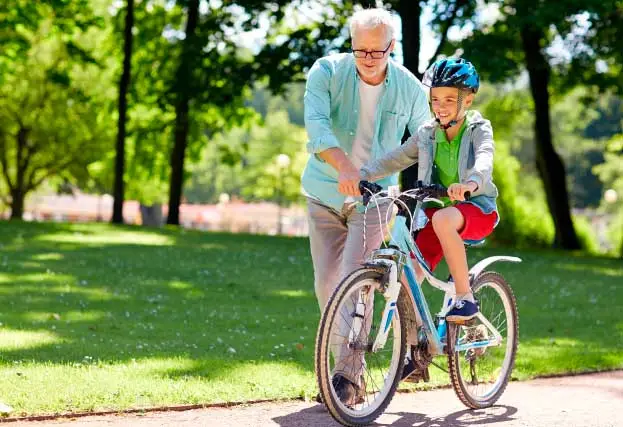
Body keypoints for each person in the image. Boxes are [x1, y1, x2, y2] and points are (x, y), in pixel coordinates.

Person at [302, 7, 430, 403]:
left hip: (374, 199)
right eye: (361, 51)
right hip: (324, 192)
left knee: (354, 283)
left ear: (391, 47)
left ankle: (347, 380)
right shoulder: (326, 72)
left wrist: (430, 193)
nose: (368, 60)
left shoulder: (408, 87)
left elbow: (428, 136)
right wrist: (344, 166)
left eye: (377, 52)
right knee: (328, 286)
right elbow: (317, 125)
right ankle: (340, 373)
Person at [359, 57, 499, 323]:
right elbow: (398, 157)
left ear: (467, 100)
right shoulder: (428, 132)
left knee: (443, 219)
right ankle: (414, 351)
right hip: (438, 217)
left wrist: (469, 184)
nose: (440, 107)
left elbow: (484, 159)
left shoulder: (478, 129)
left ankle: (465, 298)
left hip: (477, 209)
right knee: (407, 276)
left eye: (449, 99)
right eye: (435, 99)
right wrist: (364, 174)